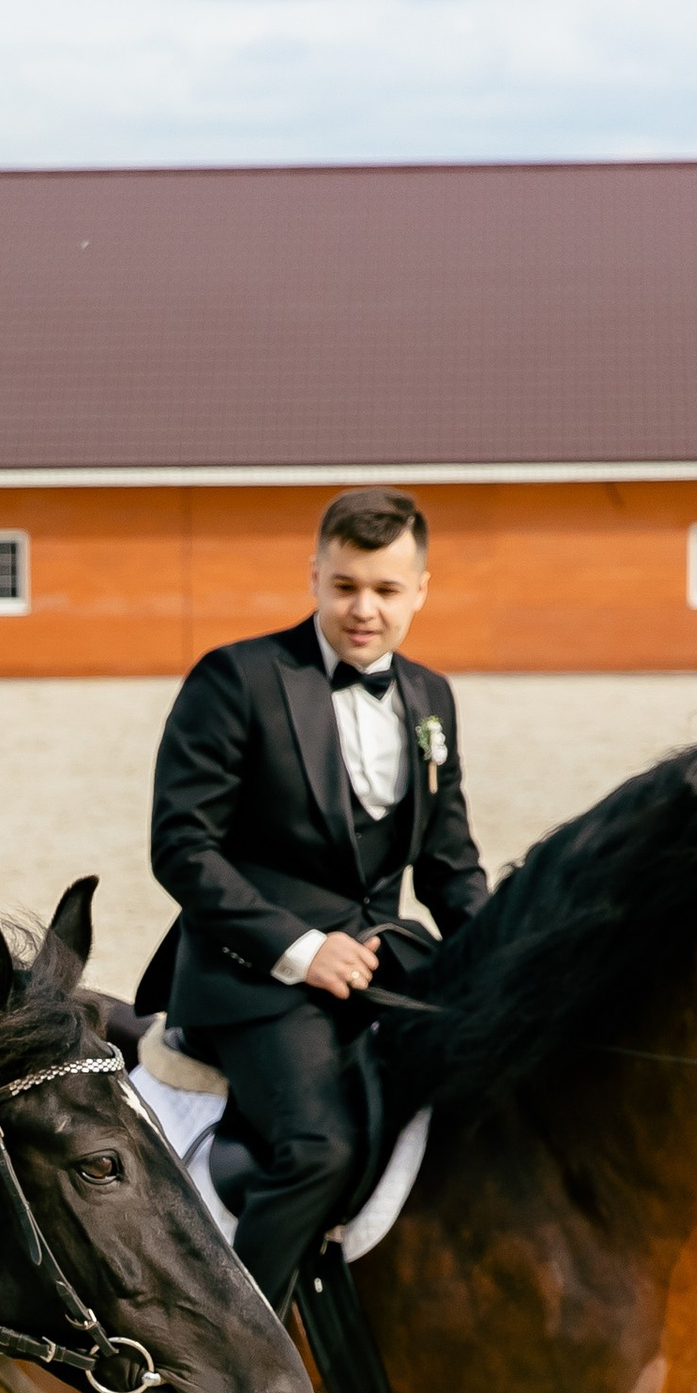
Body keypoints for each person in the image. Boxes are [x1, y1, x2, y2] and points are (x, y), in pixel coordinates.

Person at [143, 487, 487, 1309]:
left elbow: (448, 866)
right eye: (345, 586)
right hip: (252, 976)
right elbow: (182, 847)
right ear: (314, 577)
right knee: (319, 1148)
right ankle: (235, 1355)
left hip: (386, 959)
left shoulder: (431, 697)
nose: (364, 609)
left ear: (420, 590)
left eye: (386, 589)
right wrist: (301, 949)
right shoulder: (237, 678)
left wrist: (506, 958)